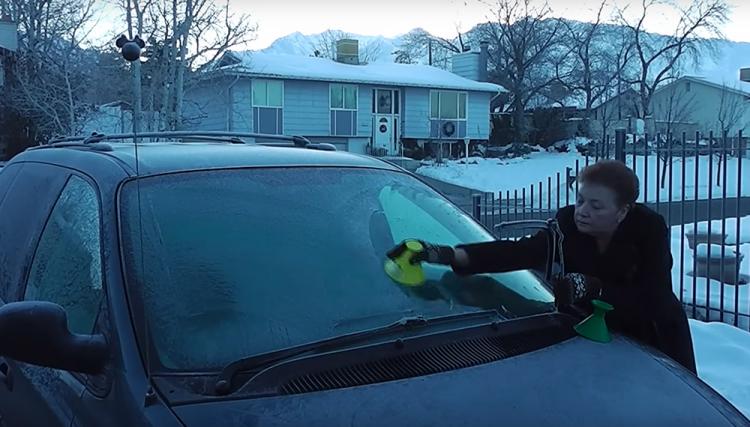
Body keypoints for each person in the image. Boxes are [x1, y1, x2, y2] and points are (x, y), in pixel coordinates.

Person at [391, 160, 697, 374]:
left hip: (652, 344)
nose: (582, 211)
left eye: (596, 205)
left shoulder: (649, 231)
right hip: (585, 342)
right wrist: (449, 255)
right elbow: (518, 252)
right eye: (580, 200)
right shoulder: (567, 227)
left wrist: (594, 287)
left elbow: (653, 298)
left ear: (623, 211)